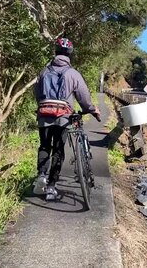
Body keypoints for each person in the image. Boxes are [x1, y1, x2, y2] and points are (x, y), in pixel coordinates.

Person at [33, 38, 101, 201]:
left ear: (55, 52)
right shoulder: (73, 74)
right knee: (58, 149)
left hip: (44, 114)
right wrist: (91, 110)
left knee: (44, 145)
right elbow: (83, 96)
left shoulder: (44, 71)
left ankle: (42, 174)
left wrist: (43, 107)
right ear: (70, 54)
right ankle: (51, 187)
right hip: (63, 116)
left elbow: (36, 92)